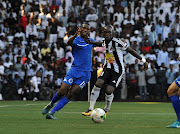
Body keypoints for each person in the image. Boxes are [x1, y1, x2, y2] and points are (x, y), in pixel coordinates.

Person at [82, 25, 148, 116]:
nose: (107, 34)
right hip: (107, 68)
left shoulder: (118, 42)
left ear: (112, 33)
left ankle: (107, 108)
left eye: (109, 32)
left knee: (109, 90)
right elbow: (100, 44)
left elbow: (131, 50)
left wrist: (143, 60)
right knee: (98, 84)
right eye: (105, 32)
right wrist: (90, 41)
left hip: (118, 71)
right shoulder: (104, 41)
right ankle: (90, 109)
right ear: (103, 33)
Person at [42, 23, 102, 119]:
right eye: (84, 28)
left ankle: (51, 113)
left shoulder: (90, 41)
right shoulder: (76, 39)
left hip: (85, 74)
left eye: (88, 29)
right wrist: (75, 35)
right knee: (62, 90)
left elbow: (100, 44)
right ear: (81, 30)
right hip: (74, 71)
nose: (86, 30)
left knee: (71, 93)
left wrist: (93, 42)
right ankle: (51, 104)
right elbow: (69, 43)